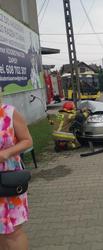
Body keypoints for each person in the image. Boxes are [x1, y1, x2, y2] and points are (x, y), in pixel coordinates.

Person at [0, 100, 33, 249]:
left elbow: (27, 141)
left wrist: (7, 152)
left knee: (13, 231)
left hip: (7, 179)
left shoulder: (9, 112)